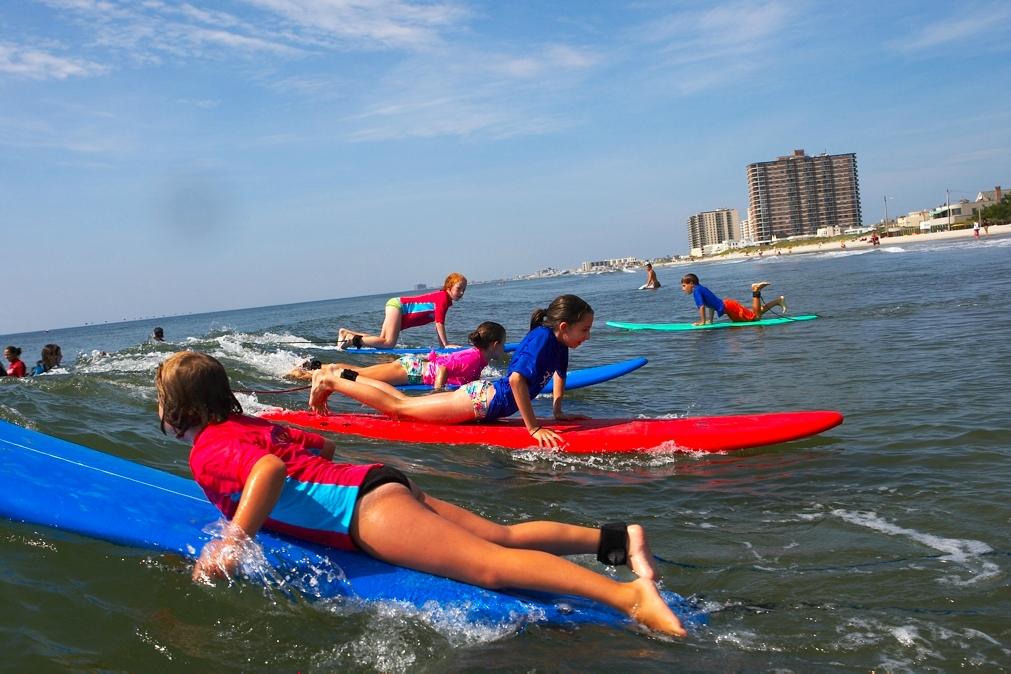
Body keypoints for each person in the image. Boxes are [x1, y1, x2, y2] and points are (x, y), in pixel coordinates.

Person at [155, 351, 686, 636]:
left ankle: (627, 596)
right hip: (378, 483)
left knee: (489, 564)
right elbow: (317, 445)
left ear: (182, 408)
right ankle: (617, 540)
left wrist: (233, 540)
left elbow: (269, 471)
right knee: (501, 536)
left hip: (363, 512)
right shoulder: (252, 422)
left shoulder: (209, 449)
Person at [312, 295, 593, 449]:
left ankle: (346, 376)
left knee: (403, 402)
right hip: (480, 402)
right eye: (585, 330)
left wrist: (557, 411)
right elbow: (518, 379)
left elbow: (560, 375)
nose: (588, 337)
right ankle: (329, 379)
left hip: (487, 401)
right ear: (564, 326)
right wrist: (533, 428)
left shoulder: (559, 346)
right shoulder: (543, 338)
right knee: (399, 408)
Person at [289, 322, 506, 390]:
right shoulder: (474, 357)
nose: (504, 350)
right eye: (503, 345)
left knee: (360, 374)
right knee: (357, 377)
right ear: (494, 345)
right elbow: (443, 368)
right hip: (412, 371)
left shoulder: (478, 357)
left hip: (414, 369)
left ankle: (317, 366)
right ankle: (306, 374)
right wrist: (437, 393)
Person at [338, 273, 468, 350]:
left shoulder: (443, 299)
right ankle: (351, 340)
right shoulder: (442, 298)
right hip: (398, 306)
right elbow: (439, 324)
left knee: (381, 340)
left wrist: (442, 347)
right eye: (458, 288)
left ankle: (346, 333)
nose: (461, 292)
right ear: (449, 287)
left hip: (396, 305)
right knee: (389, 343)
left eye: (464, 289)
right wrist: (446, 345)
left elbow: (438, 324)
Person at [680, 274, 786, 325]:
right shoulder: (701, 289)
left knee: (756, 318)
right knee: (756, 313)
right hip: (729, 305)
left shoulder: (697, 291)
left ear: (691, 284)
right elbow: (711, 306)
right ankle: (778, 301)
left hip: (729, 307)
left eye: (684, 286)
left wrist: (702, 322)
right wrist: (710, 321)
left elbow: (702, 307)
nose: (683, 288)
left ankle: (756, 290)